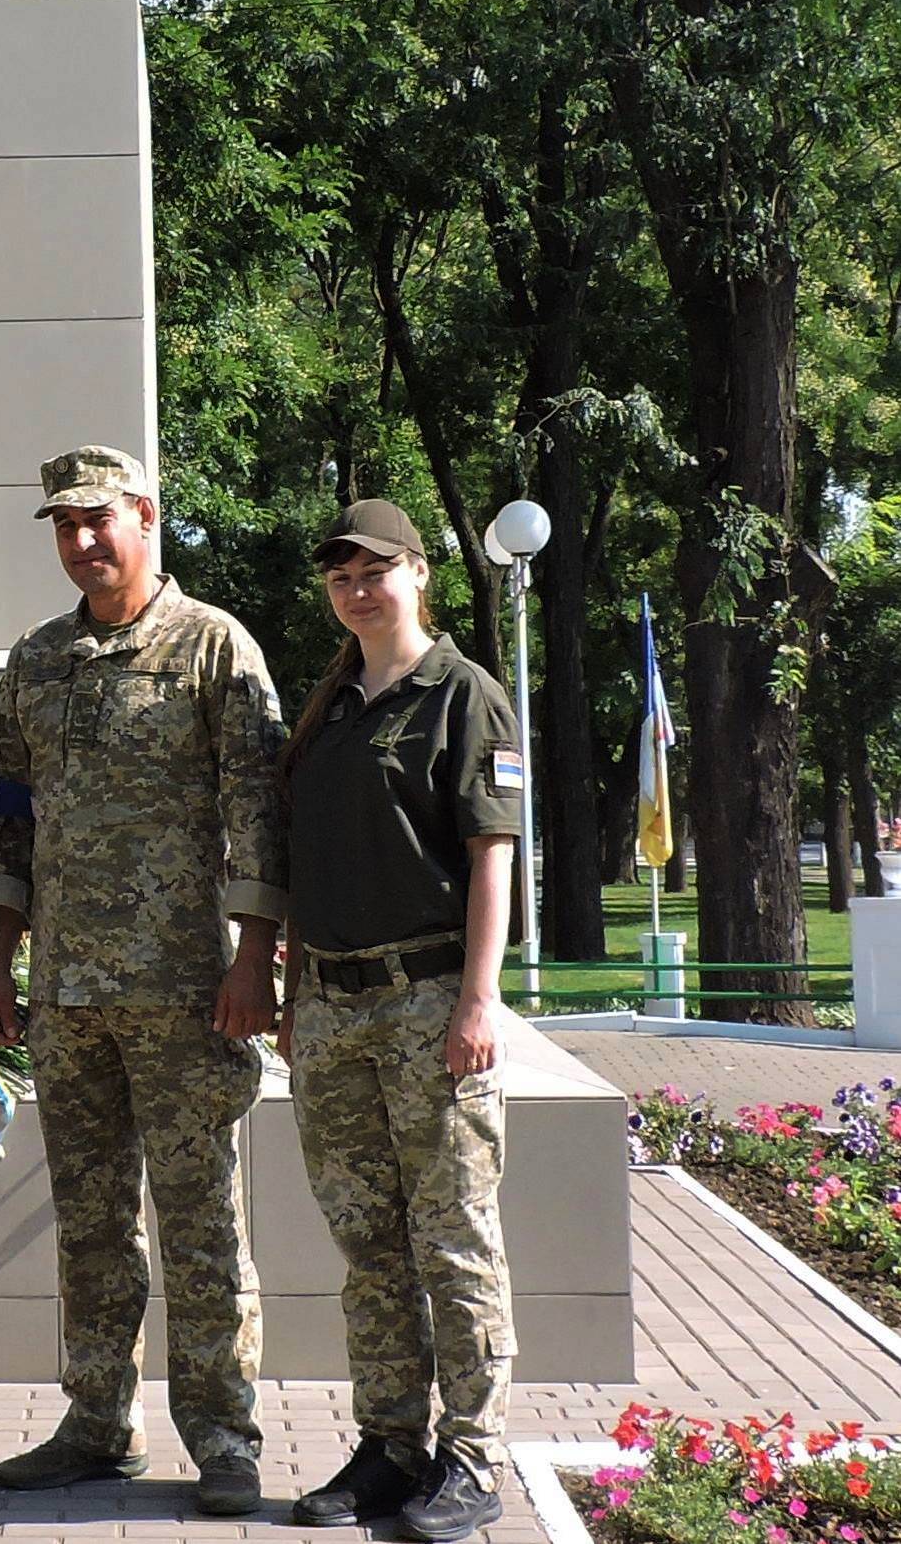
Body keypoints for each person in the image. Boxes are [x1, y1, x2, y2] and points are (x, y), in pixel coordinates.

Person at [0, 446, 287, 1513]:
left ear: (145, 516)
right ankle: (98, 1420)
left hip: (187, 991)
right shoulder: (38, 657)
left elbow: (259, 815)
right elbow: (9, 820)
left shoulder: (214, 647)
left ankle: (224, 1436)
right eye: (62, 524)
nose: (80, 541)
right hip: (66, 992)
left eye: (96, 519)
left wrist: (253, 957)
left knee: (201, 1221)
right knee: (92, 1220)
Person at [278, 499, 521, 1541]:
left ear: (418, 573)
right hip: (332, 1006)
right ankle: (390, 1444)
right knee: (367, 1242)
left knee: (452, 1238)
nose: (357, 588)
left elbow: (489, 857)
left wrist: (477, 996)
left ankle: (471, 1454)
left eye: (374, 569)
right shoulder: (330, 703)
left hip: (428, 1000)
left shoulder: (463, 693)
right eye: (340, 574)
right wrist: (294, 999)